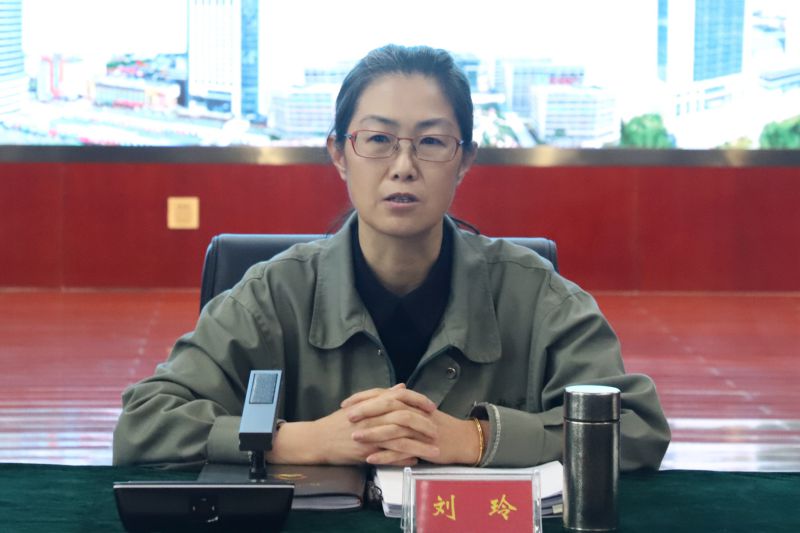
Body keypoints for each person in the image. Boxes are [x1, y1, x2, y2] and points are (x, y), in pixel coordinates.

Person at [113, 44, 670, 471]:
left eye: (431, 142)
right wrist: (304, 440)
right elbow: (143, 425)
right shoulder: (273, 294)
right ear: (339, 154)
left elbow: (637, 425)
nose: (403, 167)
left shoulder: (534, 294)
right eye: (377, 140)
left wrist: (476, 438)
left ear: (465, 160)